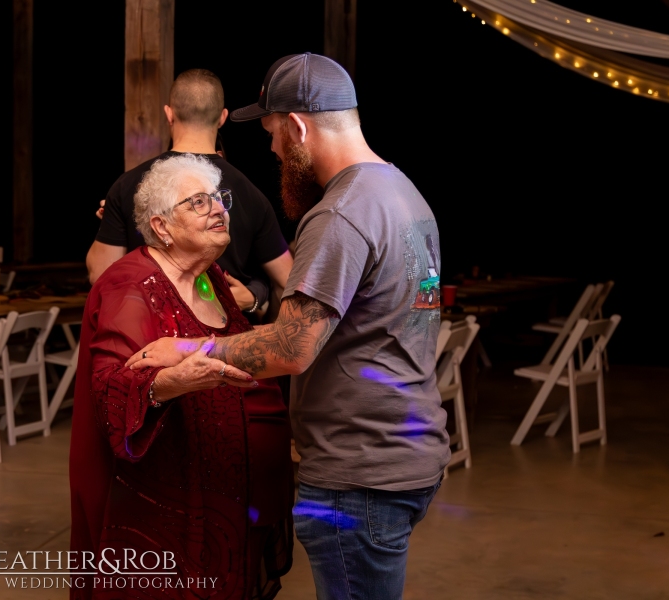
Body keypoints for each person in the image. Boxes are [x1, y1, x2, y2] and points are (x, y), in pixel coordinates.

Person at [127, 53, 451, 600]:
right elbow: (363, 319)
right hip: (407, 455)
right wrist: (255, 309)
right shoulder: (400, 191)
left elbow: (292, 349)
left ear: (299, 126)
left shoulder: (339, 213)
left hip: (359, 473)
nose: (274, 150)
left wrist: (184, 347)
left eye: (276, 134)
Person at [70, 153, 293, 599]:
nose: (218, 209)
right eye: (198, 202)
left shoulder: (211, 277)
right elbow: (111, 390)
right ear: (161, 227)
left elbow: (239, 353)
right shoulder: (129, 286)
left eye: (218, 198)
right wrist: (170, 382)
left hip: (227, 497)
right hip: (166, 503)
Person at [86, 68, 293, 317]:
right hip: (223, 343)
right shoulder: (251, 194)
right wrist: (257, 300)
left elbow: (100, 275)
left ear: (169, 114)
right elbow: (289, 282)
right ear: (222, 117)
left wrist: (111, 221)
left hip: (150, 334)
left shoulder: (129, 186)